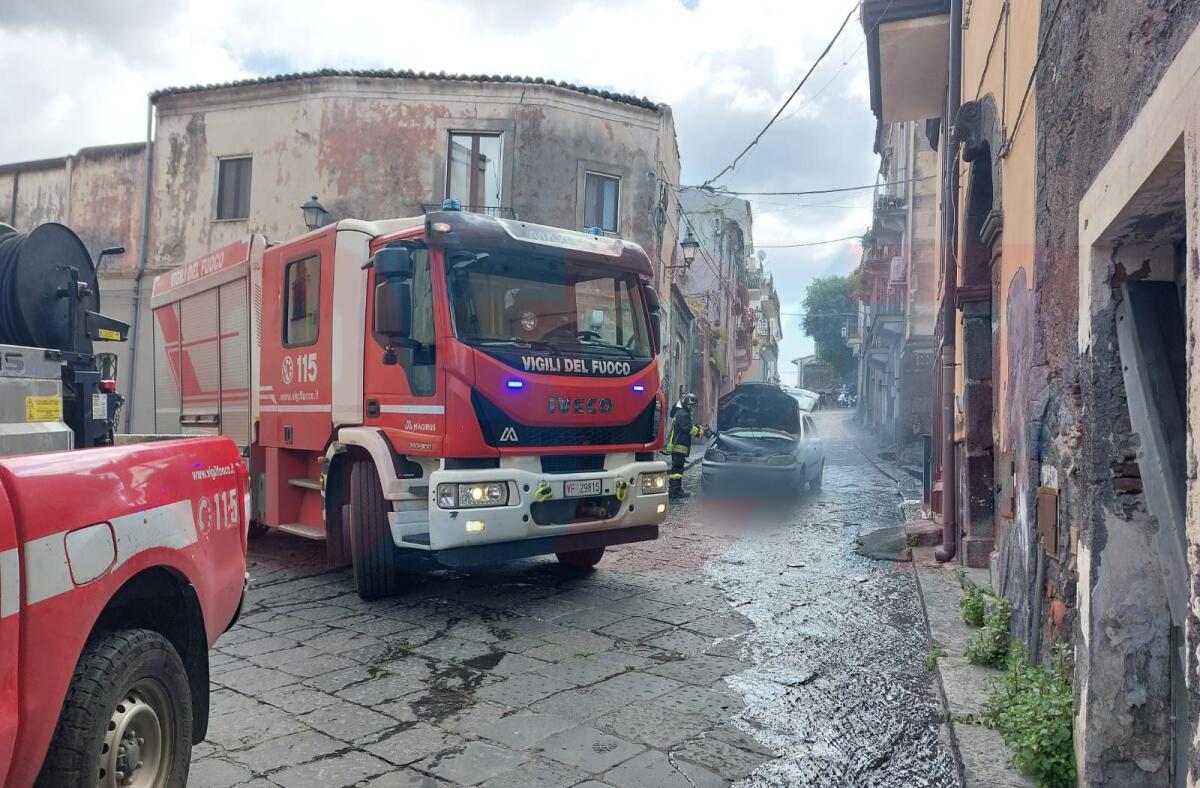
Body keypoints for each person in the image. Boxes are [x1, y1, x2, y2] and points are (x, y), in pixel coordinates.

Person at [664, 392, 711, 498]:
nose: (692, 408)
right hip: (678, 446)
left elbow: (687, 426)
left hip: (678, 445)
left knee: (676, 470)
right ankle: (676, 491)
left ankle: (674, 490)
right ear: (687, 404)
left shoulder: (682, 413)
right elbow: (688, 428)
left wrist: (698, 428)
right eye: (692, 406)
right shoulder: (683, 414)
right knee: (677, 470)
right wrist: (702, 432)